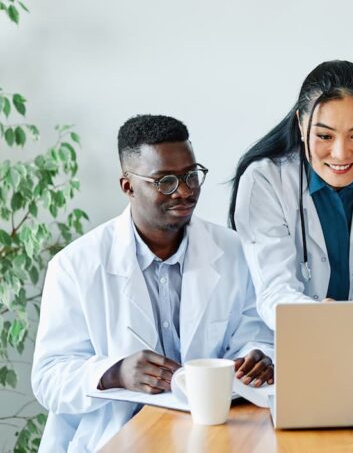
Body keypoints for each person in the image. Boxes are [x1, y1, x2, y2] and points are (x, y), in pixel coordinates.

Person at [32, 115, 275, 452]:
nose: (186, 191)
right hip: (118, 436)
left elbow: (254, 332)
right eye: (165, 182)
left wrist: (256, 356)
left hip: (213, 434)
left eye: (191, 175)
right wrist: (115, 372)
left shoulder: (232, 250)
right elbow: (48, 378)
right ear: (128, 186)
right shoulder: (76, 266)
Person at [230, 60, 353, 329]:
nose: (341, 154)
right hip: (286, 332)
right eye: (325, 136)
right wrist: (324, 318)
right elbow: (274, 291)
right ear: (301, 125)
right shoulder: (265, 179)